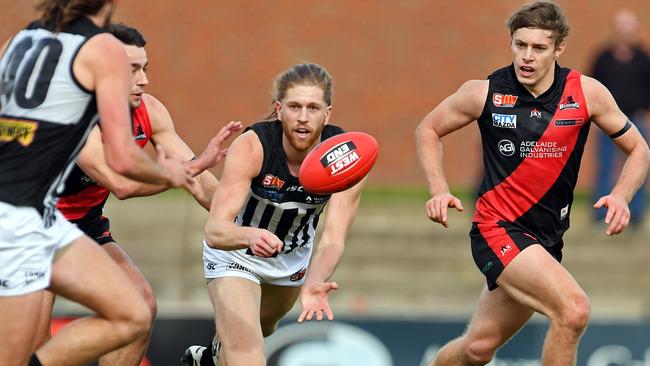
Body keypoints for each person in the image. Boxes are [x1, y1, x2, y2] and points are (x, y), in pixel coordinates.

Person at [415, 1, 650, 365]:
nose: (527, 56)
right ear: (511, 42)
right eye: (520, 45)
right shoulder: (485, 92)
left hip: (545, 240)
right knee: (573, 312)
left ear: (558, 49)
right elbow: (428, 129)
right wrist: (438, 189)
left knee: (477, 348)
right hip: (497, 230)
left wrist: (621, 195)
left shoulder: (586, 93)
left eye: (539, 48)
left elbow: (639, 149)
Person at [30, 23, 242, 366]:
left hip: (83, 226)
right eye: (132, 70)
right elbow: (122, 184)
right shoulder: (72, 117)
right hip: (31, 229)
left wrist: (251, 224)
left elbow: (200, 183)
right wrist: (188, 169)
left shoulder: (151, 110)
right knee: (30, 348)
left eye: (145, 68)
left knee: (141, 307)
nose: (144, 79)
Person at [0, 1, 195, 365]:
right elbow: (121, 160)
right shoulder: (102, 48)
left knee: (134, 312)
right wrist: (170, 173)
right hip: (16, 219)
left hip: (40, 216)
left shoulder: (21, 39)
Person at [180, 63, 364, 366]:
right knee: (248, 357)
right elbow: (216, 229)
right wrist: (250, 235)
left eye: (313, 108)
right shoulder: (253, 146)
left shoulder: (344, 158)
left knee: (262, 329)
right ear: (279, 109)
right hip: (235, 253)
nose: (303, 117)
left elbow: (333, 238)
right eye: (294, 106)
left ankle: (211, 358)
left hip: (292, 259)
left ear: (327, 113)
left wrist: (316, 280)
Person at [590, 9, 650, 226]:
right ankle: (600, 214)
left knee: (638, 164)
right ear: (616, 30)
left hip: (636, 120)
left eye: (629, 27)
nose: (625, 31)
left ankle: (635, 214)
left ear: (634, 30)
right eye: (621, 26)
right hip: (606, 123)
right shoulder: (603, 57)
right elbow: (591, 86)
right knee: (604, 167)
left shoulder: (643, 58)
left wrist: (645, 113)